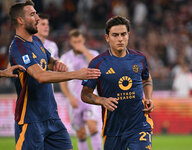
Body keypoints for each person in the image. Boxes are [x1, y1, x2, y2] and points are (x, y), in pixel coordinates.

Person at [9, 1, 101, 150]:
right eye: (32, 14)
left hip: (52, 117)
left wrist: (56, 63)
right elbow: (40, 76)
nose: (37, 18)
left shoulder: (36, 41)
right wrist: (76, 74)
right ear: (20, 20)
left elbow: (49, 61)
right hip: (30, 120)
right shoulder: (18, 47)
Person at [81, 16, 154, 150]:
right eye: (115, 35)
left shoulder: (140, 58)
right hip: (113, 129)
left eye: (123, 34)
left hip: (139, 125)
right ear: (107, 38)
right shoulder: (97, 63)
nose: (120, 39)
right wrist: (102, 100)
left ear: (128, 35)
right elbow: (85, 95)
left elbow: (147, 77)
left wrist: (148, 97)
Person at [60, 29, 102, 150]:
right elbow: (63, 80)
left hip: (91, 97)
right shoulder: (65, 58)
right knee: (81, 134)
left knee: (93, 127)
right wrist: (69, 97)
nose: (77, 44)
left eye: (79, 41)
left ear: (83, 40)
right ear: (71, 42)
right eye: (75, 42)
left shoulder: (92, 54)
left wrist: (84, 50)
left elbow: (97, 66)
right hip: (75, 101)